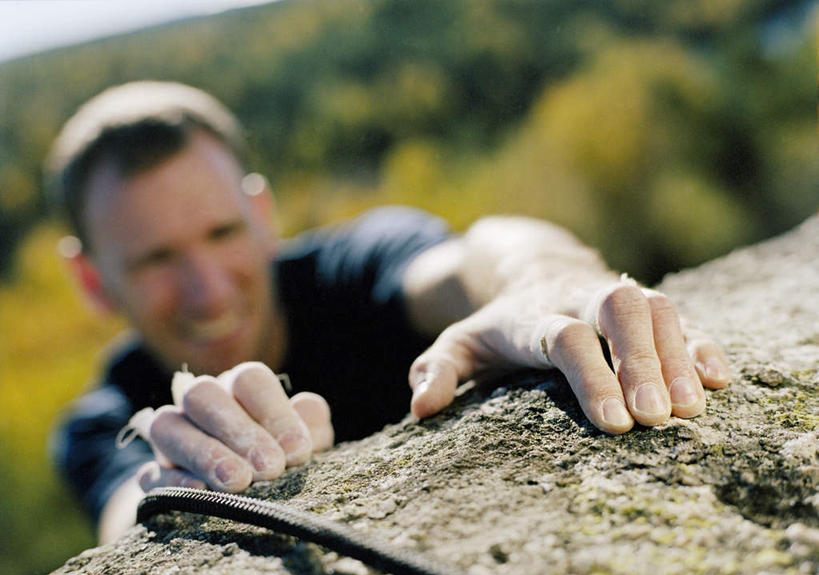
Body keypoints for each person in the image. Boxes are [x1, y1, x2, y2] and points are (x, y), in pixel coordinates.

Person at [46, 81, 730, 544]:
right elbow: (125, 511)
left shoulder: (354, 265)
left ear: (261, 216)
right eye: (154, 260)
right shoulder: (106, 419)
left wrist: (537, 280)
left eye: (222, 234)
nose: (208, 291)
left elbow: (474, 256)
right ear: (92, 279)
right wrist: (187, 473)